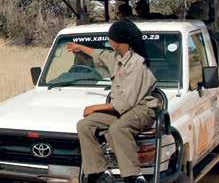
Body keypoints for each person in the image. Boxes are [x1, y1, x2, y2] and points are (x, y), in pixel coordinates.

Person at [67, 20, 158, 183]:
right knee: (85, 125)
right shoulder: (117, 57)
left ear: (117, 41)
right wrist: (79, 47)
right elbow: (99, 54)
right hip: (121, 110)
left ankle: (133, 176)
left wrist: (95, 107)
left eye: (110, 38)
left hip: (141, 109)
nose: (108, 41)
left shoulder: (137, 63)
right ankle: (98, 172)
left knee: (117, 128)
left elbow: (126, 102)